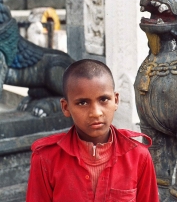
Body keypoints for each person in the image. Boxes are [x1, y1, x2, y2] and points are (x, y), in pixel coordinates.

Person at [26, 59, 159, 202]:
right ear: (66, 107)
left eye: (104, 99)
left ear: (116, 100)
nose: (96, 113)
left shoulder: (138, 156)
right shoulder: (46, 158)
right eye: (82, 103)